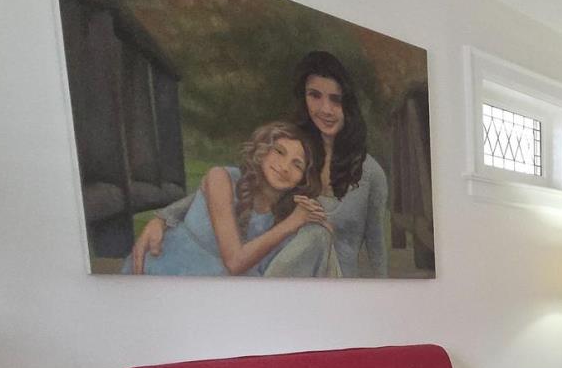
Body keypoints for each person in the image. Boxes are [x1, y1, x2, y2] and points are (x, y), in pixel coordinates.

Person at [130, 51, 389, 278]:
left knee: (316, 236)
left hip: (337, 284)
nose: (325, 109)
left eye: (336, 99)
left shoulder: (371, 173)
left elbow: (377, 248)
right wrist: (164, 218)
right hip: (274, 278)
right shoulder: (292, 152)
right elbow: (231, 187)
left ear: (349, 104)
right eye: (315, 96)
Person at [129, 122, 326, 277]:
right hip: (174, 269)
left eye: (297, 165)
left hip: (226, 290)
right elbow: (234, 262)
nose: (284, 167)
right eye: (279, 151)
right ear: (263, 150)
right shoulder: (221, 178)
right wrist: (291, 224)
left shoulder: (291, 212)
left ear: (303, 178)